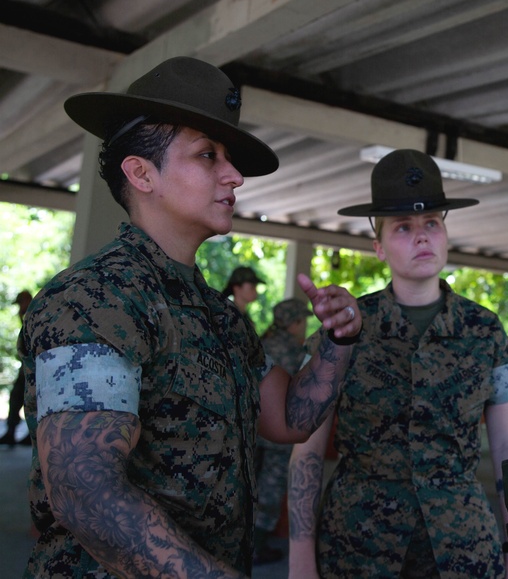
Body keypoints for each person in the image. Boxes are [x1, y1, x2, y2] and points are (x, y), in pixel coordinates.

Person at [19, 56, 362, 578]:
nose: (235, 175)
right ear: (141, 172)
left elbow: (290, 417)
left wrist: (338, 339)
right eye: (208, 155)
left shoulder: (218, 315)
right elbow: (83, 490)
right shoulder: (95, 298)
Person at [287, 149, 508, 579]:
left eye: (432, 223)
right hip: (358, 548)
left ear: (446, 235)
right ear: (378, 247)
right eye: (403, 227)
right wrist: (300, 557)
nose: (422, 237)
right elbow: (307, 450)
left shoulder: (485, 331)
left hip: (463, 551)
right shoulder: (342, 328)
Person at [252, 297, 312, 565]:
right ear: (295, 322)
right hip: (277, 432)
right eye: (304, 321)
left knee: (250, 481)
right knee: (272, 485)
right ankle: (258, 544)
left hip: (252, 429)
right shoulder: (293, 350)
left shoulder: (262, 342)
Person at [1, 289, 33, 446]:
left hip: (34, 365)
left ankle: (30, 435)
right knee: (16, 397)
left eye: (21, 303)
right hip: (26, 365)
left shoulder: (36, 314)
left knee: (31, 399)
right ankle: (11, 431)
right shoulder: (27, 316)